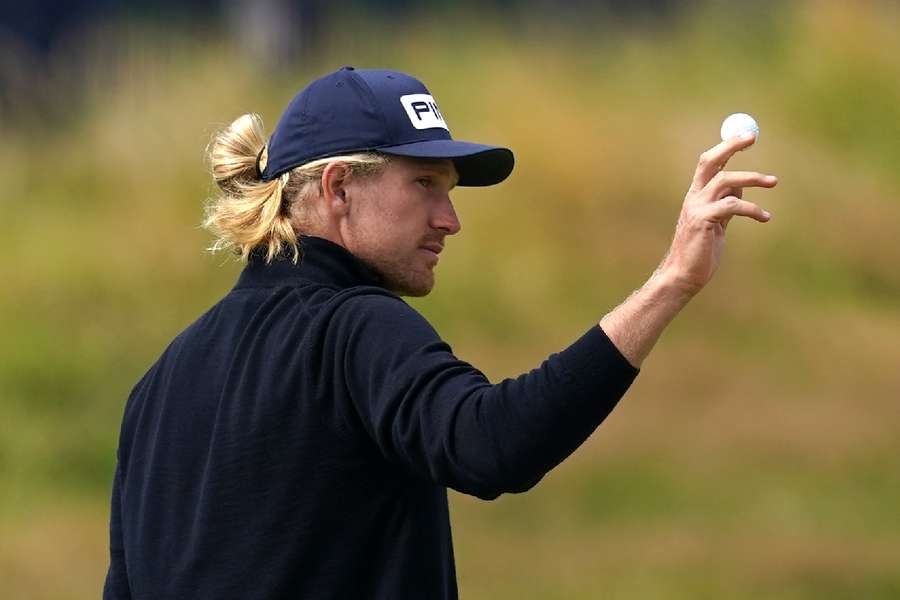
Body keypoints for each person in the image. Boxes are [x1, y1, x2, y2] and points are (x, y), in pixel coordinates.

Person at [103, 66, 777, 599]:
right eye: (425, 183)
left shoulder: (158, 385)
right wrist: (671, 283)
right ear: (338, 188)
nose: (449, 218)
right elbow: (491, 445)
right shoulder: (355, 327)